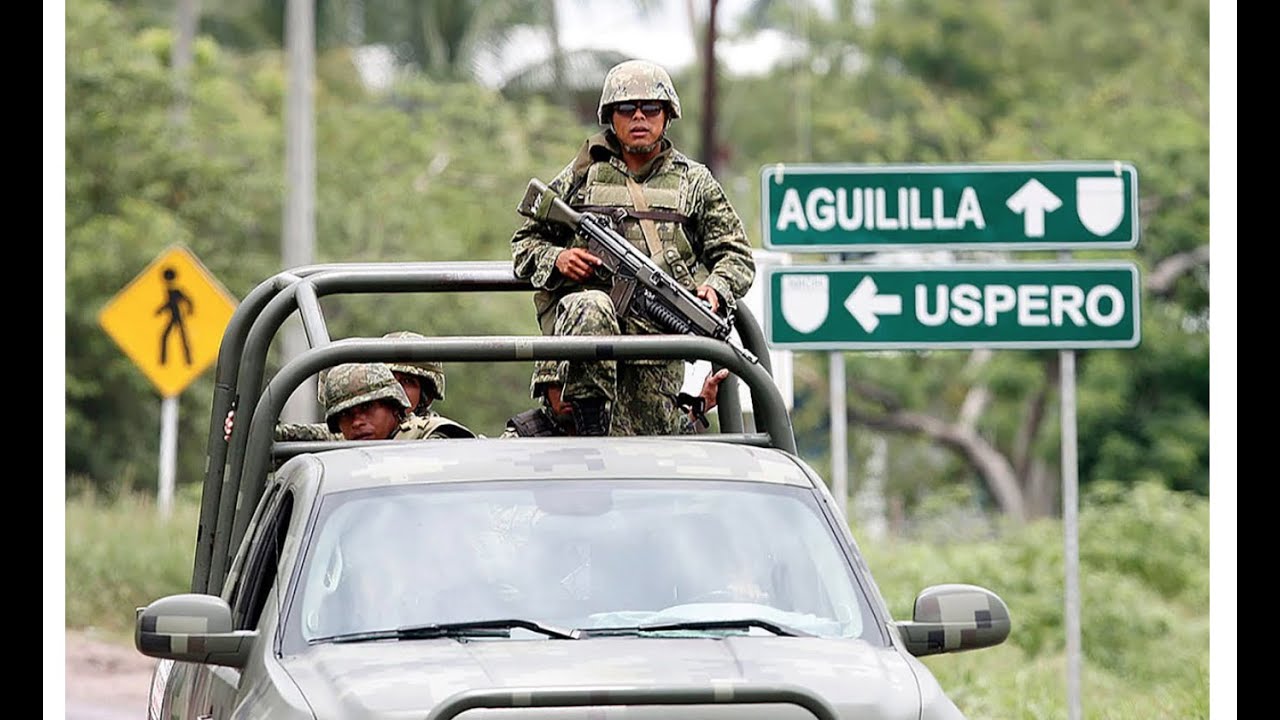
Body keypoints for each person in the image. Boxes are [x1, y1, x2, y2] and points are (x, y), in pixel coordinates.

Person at [510, 58, 756, 437]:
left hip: (657, 357)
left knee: (651, 468)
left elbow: (736, 255)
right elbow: (525, 243)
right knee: (589, 305)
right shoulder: (583, 176)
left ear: (667, 115)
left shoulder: (694, 182)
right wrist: (557, 258)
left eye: (650, 108)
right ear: (611, 116)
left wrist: (716, 288)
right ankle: (589, 432)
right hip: (586, 356)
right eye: (627, 108)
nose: (639, 116)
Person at [225, 331, 474, 441]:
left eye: (407, 382)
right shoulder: (355, 428)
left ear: (426, 396)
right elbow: (299, 438)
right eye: (388, 379)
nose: (396, 388)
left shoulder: (433, 436)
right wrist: (248, 428)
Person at [502, 366, 730, 438]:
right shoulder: (525, 437)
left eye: (576, 383)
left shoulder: (615, 428)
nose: (567, 394)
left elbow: (661, 445)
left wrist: (701, 405)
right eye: (558, 384)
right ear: (544, 388)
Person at [319, 362, 475, 441]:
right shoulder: (347, 437)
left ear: (393, 405)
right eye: (345, 414)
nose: (357, 422)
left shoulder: (430, 435)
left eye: (367, 407)